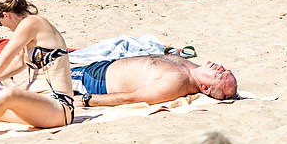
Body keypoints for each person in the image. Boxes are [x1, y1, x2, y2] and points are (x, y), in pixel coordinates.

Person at [0, 0, 74, 129]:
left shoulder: (31, 23)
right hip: (37, 107)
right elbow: (19, 64)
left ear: (6, 15)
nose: (4, 26)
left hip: (58, 106)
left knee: (10, 93)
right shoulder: (32, 29)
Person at [74, 55, 237, 106]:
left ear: (205, 89)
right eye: (225, 70)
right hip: (102, 67)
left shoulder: (176, 82)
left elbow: (132, 98)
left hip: (91, 81)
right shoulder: (193, 68)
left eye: (219, 75)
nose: (220, 67)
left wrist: (85, 100)